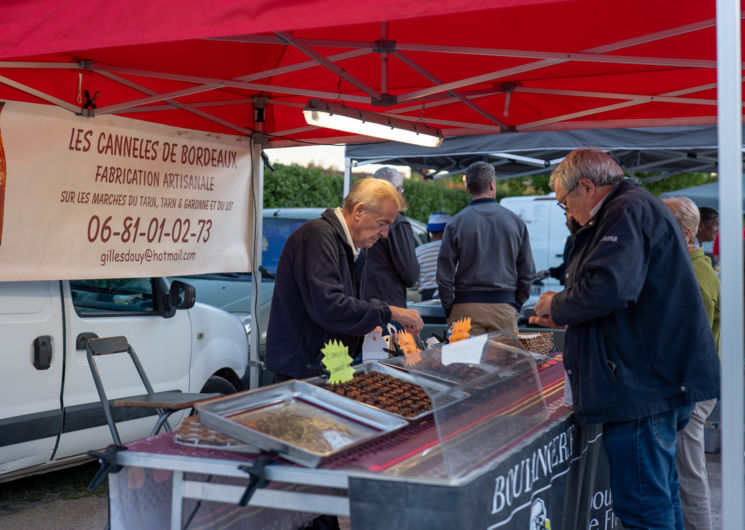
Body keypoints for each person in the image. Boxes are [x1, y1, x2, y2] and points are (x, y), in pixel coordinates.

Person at [529, 149, 719, 530]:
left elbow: (610, 287)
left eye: (565, 202)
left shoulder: (625, 211)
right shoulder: (635, 208)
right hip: (655, 381)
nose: (567, 213)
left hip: (642, 387)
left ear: (586, 186)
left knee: (644, 512)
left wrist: (558, 303)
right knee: (662, 499)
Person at [265, 177, 424, 381]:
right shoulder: (319, 237)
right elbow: (329, 306)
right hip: (305, 369)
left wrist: (366, 323)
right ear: (358, 211)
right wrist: (389, 312)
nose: (385, 234)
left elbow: (344, 305)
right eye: (381, 224)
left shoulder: (355, 247)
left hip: (330, 364)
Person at [663, 196, 720, 530]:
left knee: (689, 473)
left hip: (693, 387)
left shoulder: (694, 276)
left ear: (684, 234)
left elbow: (685, 341)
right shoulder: (696, 269)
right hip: (694, 384)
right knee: (685, 470)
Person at [437, 161, 535, 335]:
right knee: (505, 361)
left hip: (465, 308)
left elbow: (444, 275)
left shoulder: (455, 223)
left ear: (468, 188)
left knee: (463, 361)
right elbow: (527, 271)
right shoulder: (516, 222)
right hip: (504, 307)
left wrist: (450, 307)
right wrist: (516, 304)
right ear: (492, 184)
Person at [361, 167, 419, 308]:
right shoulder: (397, 222)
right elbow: (410, 274)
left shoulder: (360, 217)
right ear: (398, 190)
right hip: (388, 308)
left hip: (360, 305)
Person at [414, 212, 451, 300]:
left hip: (428, 296)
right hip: (452, 293)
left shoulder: (419, 251)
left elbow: (414, 283)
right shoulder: (455, 248)